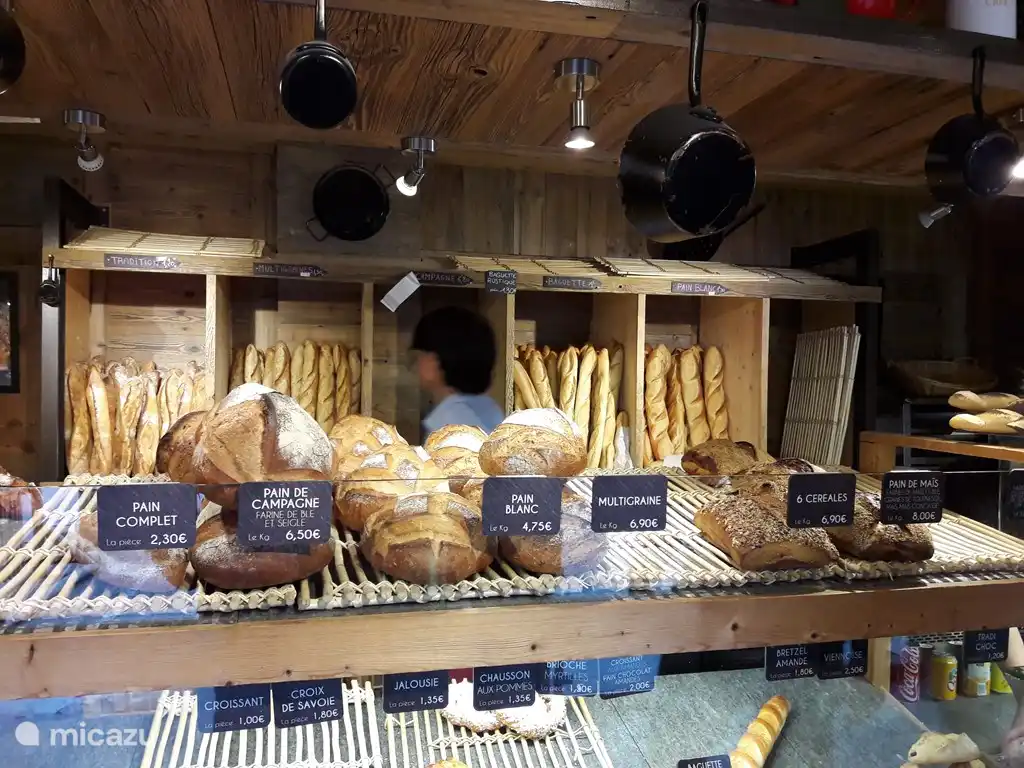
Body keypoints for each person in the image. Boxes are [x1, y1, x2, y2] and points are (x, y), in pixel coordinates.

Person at [411, 306, 505, 437]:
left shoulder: (446, 425)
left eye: (418, 356)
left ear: (434, 361)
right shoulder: (492, 409)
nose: (414, 365)